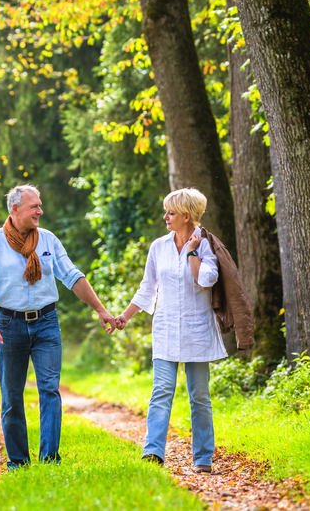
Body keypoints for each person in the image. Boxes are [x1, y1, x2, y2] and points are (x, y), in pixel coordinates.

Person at [0, 185, 116, 469]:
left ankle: (49, 459)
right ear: (15, 210)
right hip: (8, 325)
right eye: (34, 206)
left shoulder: (48, 240)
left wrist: (101, 310)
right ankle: (18, 462)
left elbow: (72, 276)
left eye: (40, 205)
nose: (40, 211)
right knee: (12, 396)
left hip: (47, 324)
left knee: (49, 390)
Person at [114, 188, 225, 474]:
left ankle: (203, 458)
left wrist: (191, 252)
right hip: (165, 328)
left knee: (199, 395)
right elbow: (147, 288)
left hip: (197, 330)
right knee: (161, 391)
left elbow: (207, 280)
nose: (165, 217)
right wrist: (124, 316)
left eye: (171, 212)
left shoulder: (205, 245)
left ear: (186, 216)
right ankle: (153, 452)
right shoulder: (158, 246)